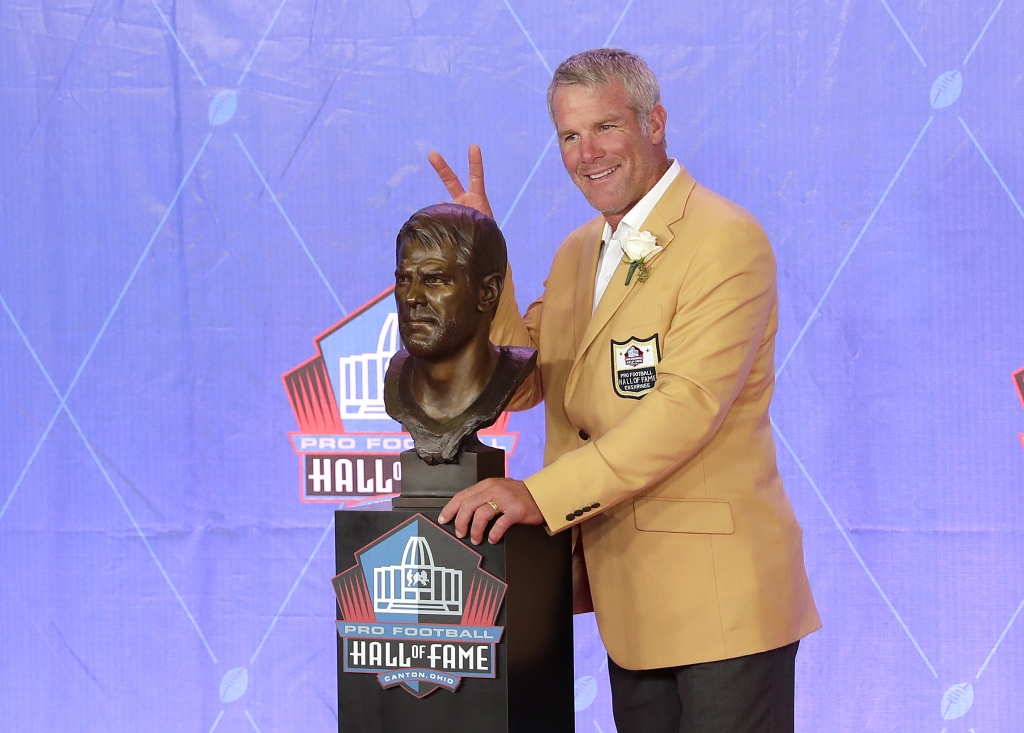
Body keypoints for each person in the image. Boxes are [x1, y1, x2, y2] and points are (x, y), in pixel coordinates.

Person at [432, 49, 821, 732]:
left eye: (606, 127)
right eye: (569, 136)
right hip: (628, 602)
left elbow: (682, 410)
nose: (587, 154)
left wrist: (537, 494)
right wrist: (478, 254)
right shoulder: (578, 250)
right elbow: (524, 380)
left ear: (656, 121)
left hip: (722, 604)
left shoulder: (726, 241)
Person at [385, 203, 536, 465]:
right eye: (404, 280)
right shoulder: (397, 378)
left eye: (435, 280)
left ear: (487, 292)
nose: (411, 298)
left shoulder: (512, 369)